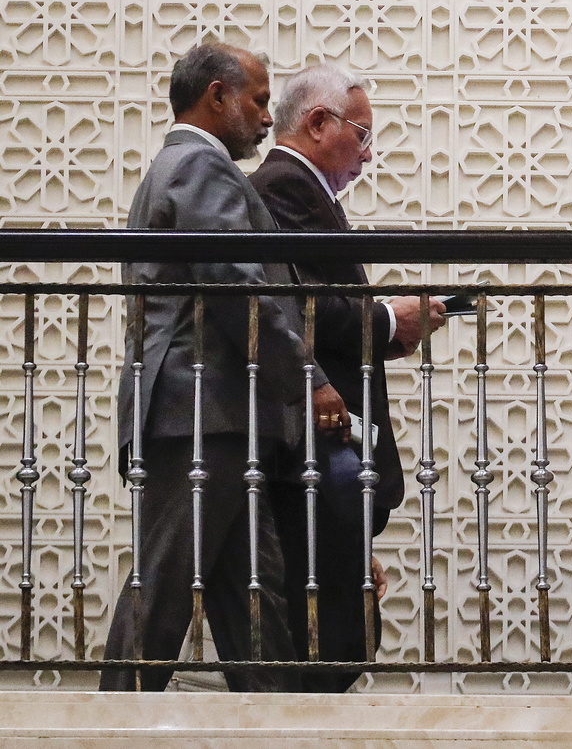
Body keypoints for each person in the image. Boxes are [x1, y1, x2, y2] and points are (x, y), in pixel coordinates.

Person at [101, 43, 348, 691]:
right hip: (201, 416)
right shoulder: (200, 168)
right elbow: (242, 288)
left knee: (254, 602)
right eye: (259, 100)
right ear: (217, 95)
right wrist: (307, 374)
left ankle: (279, 725)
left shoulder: (172, 167)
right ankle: (106, 724)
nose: (269, 118)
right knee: (162, 588)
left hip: (208, 414)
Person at [249, 64, 447, 691]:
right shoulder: (284, 186)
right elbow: (300, 304)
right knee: (325, 631)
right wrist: (390, 319)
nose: (368, 154)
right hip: (308, 441)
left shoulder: (303, 192)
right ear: (317, 123)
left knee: (336, 616)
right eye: (362, 135)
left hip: (321, 444)